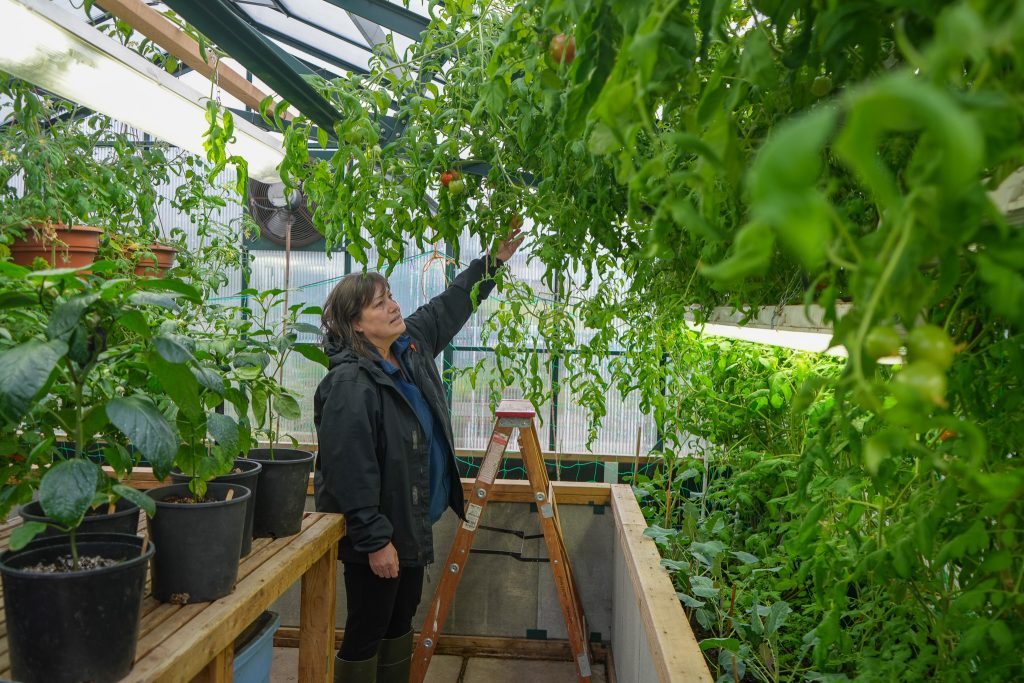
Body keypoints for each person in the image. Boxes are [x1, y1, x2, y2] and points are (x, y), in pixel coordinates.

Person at [314, 228, 524, 683]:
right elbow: (348, 468)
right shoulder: (351, 384)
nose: (393, 306)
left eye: (390, 296)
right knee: (368, 628)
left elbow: (451, 303)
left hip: (408, 526)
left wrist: (494, 262)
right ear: (355, 324)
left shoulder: (409, 348)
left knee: (397, 623)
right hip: (380, 535)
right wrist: (373, 541)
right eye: (379, 304)